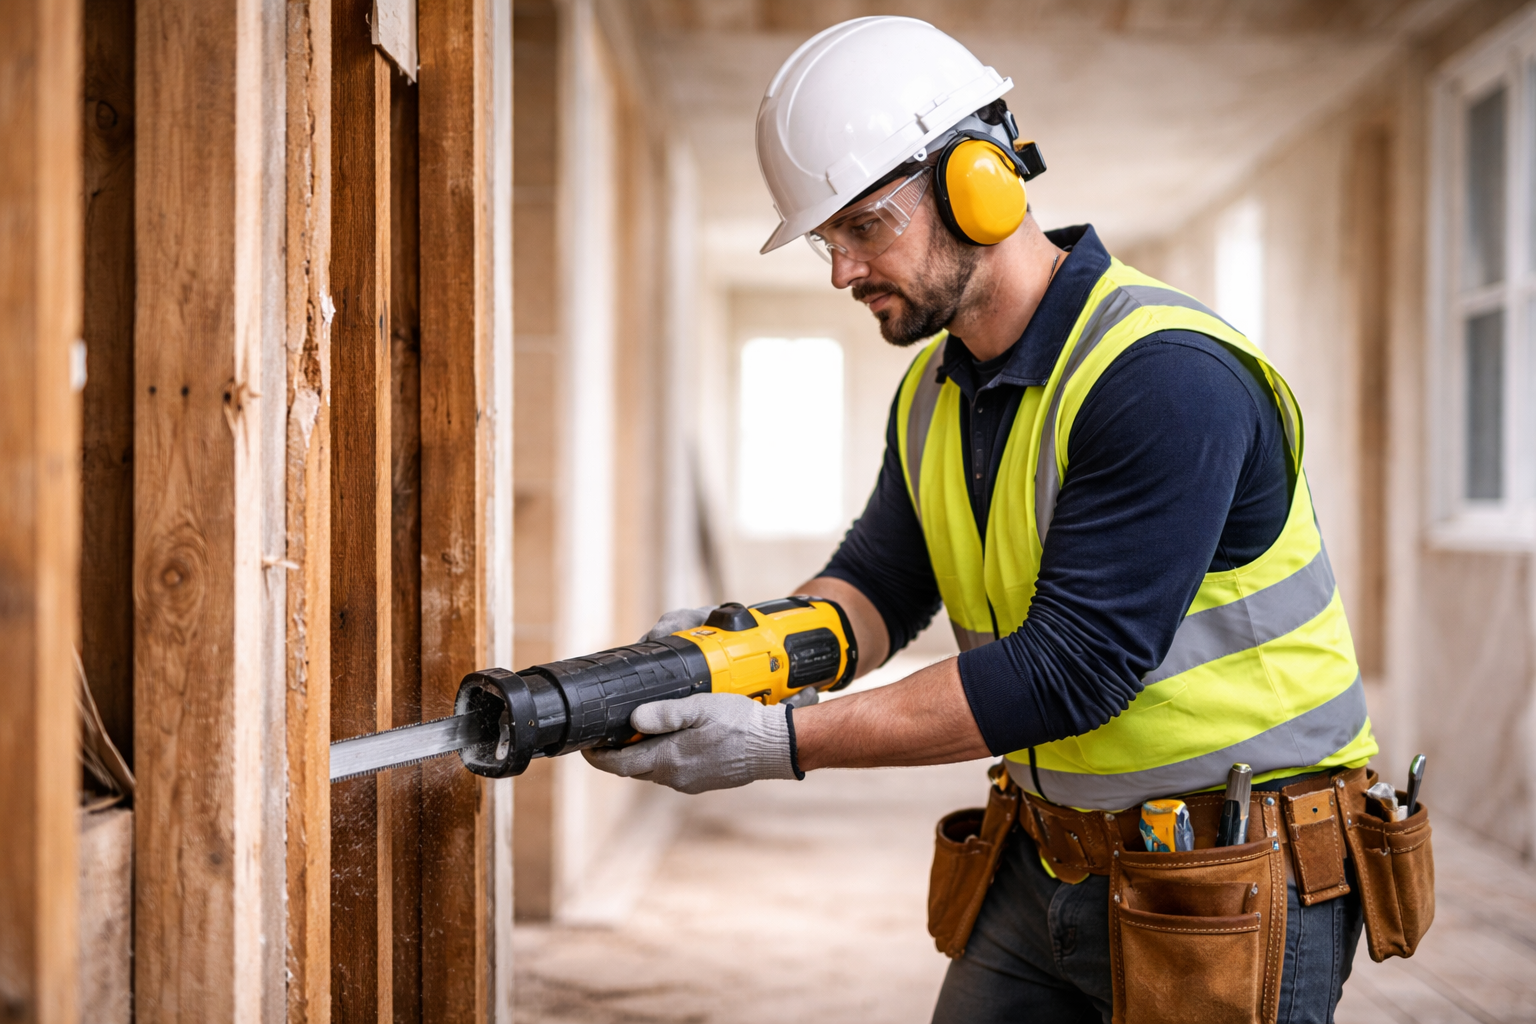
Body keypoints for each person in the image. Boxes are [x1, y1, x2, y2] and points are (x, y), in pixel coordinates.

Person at [586, 16, 1376, 1024]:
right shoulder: (932, 395)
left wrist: (783, 739)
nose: (841, 272)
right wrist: (735, 655)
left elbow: (1069, 670)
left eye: (865, 226)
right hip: (1047, 852)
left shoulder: (1164, 377)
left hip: (1236, 868)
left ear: (982, 180)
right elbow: (877, 587)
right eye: (828, 240)